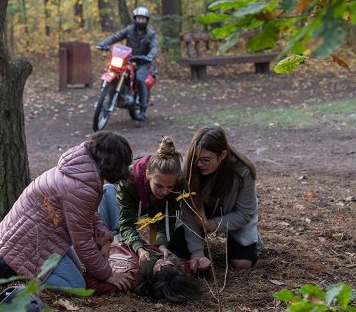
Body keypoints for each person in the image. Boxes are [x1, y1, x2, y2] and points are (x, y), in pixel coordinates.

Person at [0, 131, 135, 292]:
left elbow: (86, 211)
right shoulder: (80, 186)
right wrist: (108, 274)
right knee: (77, 286)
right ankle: (13, 267)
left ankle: (11, 260)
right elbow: (82, 242)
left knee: (77, 270)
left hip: (33, 233)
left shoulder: (81, 168)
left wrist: (104, 236)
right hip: (32, 241)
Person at [178, 126, 263, 272]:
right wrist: (197, 252)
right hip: (198, 215)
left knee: (242, 263)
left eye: (206, 160)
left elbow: (245, 212)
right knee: (179, 257)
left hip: (232, 213)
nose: (199, 164)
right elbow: (188, 210)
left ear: (222, 155)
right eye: (196, 159)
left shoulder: (243, 171)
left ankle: (252, 239)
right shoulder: (190, 167)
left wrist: (211, 224)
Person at [111, 136, 187, 265]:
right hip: (133, 198)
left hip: (154, 204)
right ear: (147, 174)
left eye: (170, 187)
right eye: (159, 185)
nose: (164, 191)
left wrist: (162, 245)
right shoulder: (128, 181)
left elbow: (168, 218)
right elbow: (126, 222)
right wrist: (138, 248)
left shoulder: (178, 183)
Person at [96, 6, 158, 121]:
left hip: (143, 62)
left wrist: (150, 56)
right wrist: (103, 44)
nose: (140, 21)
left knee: (140, 79)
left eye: (143, 19)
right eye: (139, 18)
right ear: (135, 19)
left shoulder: (151, 34)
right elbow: (116, 37)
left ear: (147, 20)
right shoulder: (129, 30)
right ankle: (114, 96)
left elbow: (154, 47)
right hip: (127, 60)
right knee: (115, 71)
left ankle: (143, 110)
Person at [84, 242, 202, 303]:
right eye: (167, 264)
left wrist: (106, 274)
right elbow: (187, 267)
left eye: (160, 267)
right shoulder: (173, 274)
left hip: (99, 245)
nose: (161, 261)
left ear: (154, 279)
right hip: (118, 238)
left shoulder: (130, 278)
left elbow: (90, 284)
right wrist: (201, 265)